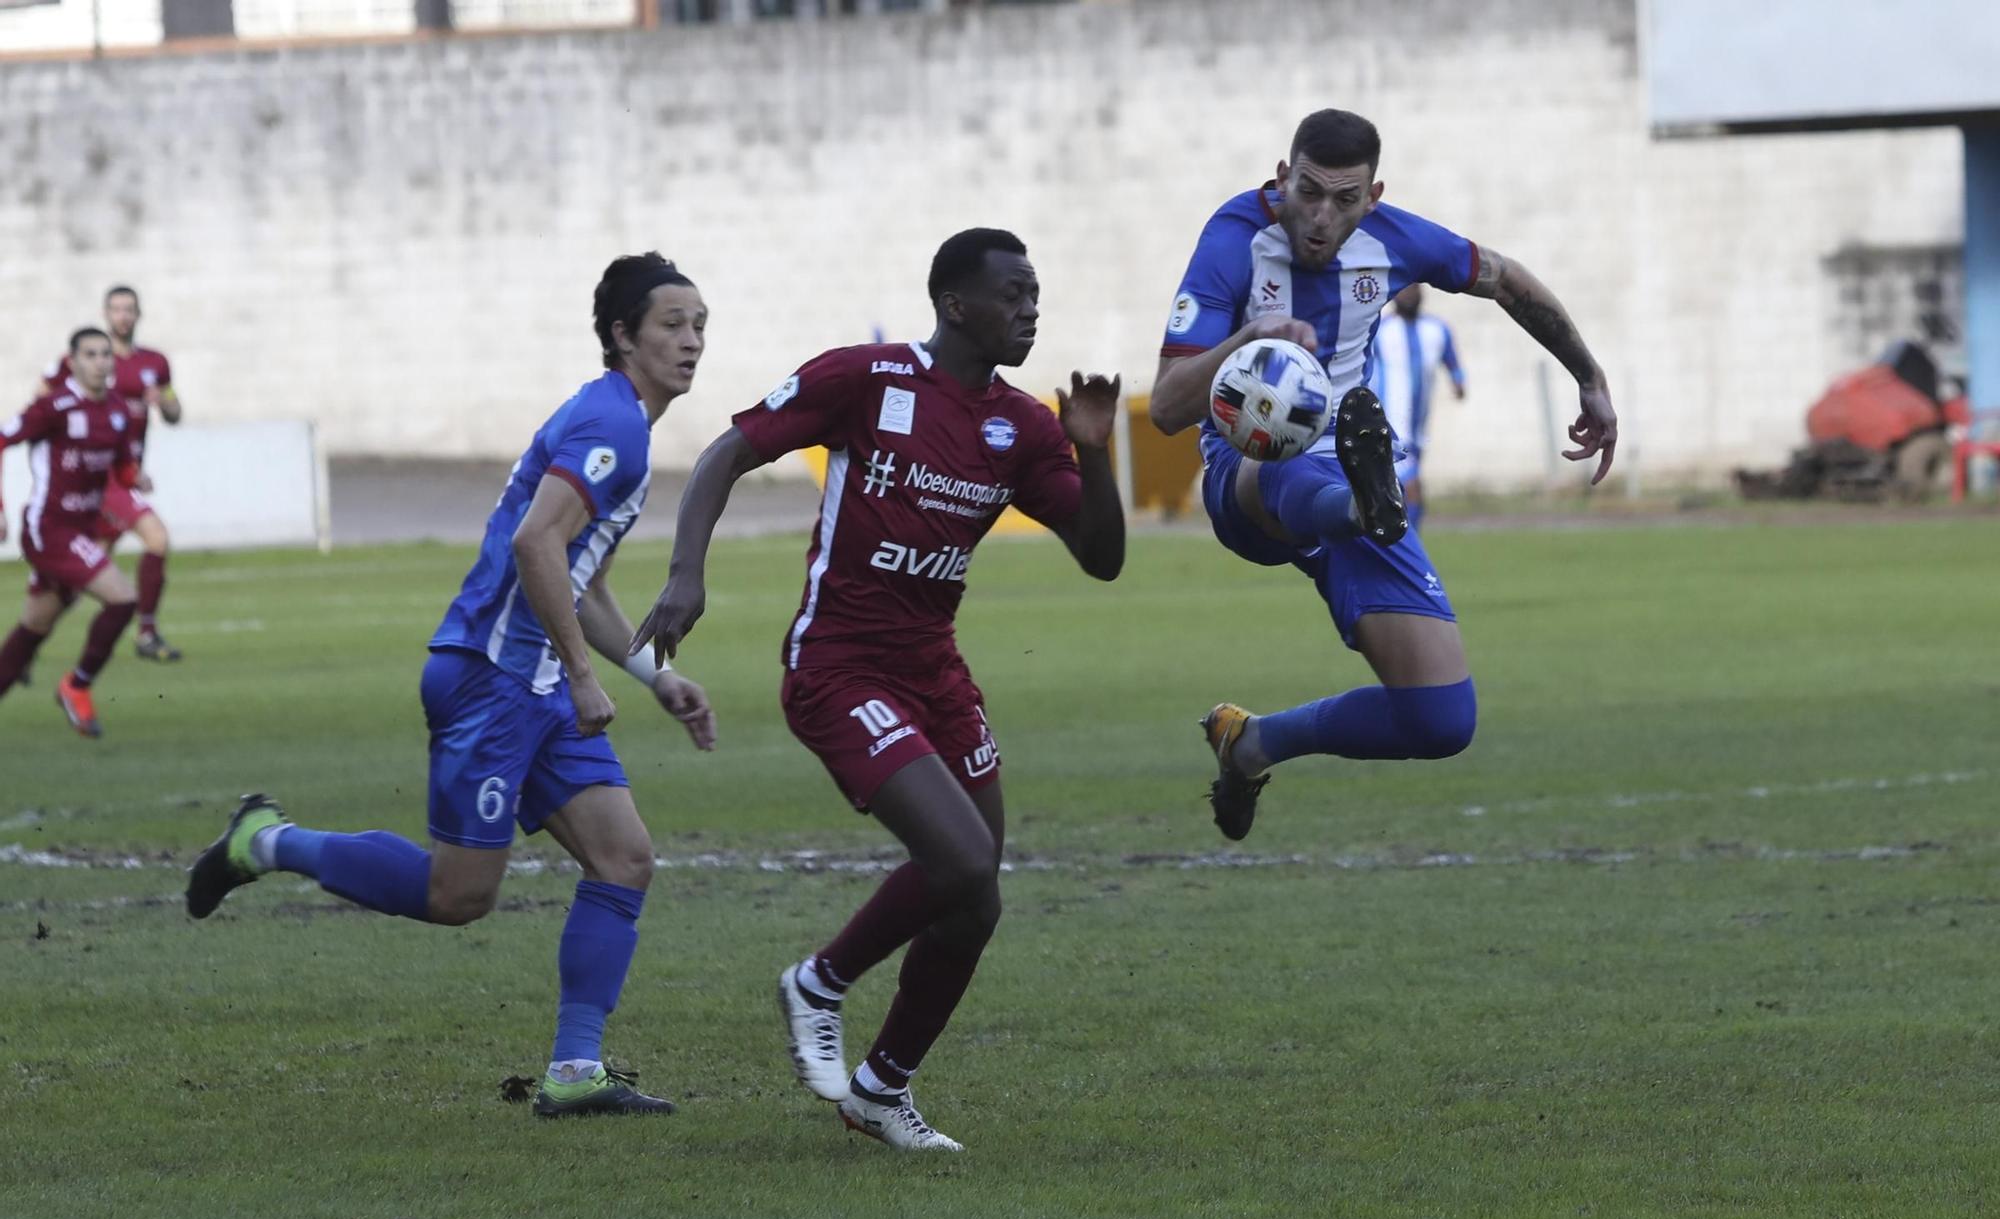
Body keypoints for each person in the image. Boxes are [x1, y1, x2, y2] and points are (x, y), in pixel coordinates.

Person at [183, 253, 718, 1117]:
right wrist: (583, 677)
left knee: (625, 859)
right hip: (493, 682)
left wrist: (657, 676)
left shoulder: (624, 425)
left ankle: (575, 1074)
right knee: (457, 896)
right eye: (671, 324)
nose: (691, 341)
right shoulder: (612, 426)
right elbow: (536, 546)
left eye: (700, 326)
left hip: (534, 683)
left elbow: (584, 582)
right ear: (623, 336)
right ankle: (265, 841)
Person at [630, 228, 1125, 1151]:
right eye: (1013, 294)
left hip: (934, 672)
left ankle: (880, 1091)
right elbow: (724, 455)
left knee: (976, 899)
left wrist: (1094, 453)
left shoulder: (1023, 426)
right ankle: (817, 982)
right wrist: (687, 573)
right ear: (954, 305)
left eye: (1036, 294)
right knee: (964, 861)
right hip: (837, 666)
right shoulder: (867, 380)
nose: (1031, 309)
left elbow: (1103, 559)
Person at [1149, 108, 1617, 840]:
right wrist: (1249, 336)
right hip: (1245, 476)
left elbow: (1506, 279)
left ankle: (1252, 744)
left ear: (1373, 197)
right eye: (1308, 191)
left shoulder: (1396, 239)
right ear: (1282, 178)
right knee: (1283, 459)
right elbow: (1168, 408)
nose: (1321, 215)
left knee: (1440, 719)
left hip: (1350, 464)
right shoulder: (1234, 239)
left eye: (1345, 199)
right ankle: (1358, 508)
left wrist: (1589, 376)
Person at [0, 328, 145, 737]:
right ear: (74, 360)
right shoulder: (53, 407)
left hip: (81, 529)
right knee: (122, 598)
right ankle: (76, 685)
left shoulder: (117, 411)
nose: (100, 361)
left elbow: (120, 468)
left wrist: (136, 476)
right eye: (91, 355)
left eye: (105, 355)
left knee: (35, 626)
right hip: (49, 529)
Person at [45, 285, 184, 661]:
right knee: (156, 538)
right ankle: (147, 633)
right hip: (101, 477)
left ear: (138, 315)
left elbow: (174, 413)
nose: (122, 316)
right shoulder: (92, 361)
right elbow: (46, 395)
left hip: (126, 475)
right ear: (106, 314)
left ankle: (26, 645)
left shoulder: (155, 363)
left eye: (129, 309)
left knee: (84, 575)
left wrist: (164, 403)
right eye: (116, 309)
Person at [1366, 284, 1465, 530]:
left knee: (1398, 493)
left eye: (1413, 289)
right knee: (1412, 490)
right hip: (1388, 426)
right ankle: (1410, 550)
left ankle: (1398, 546)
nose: (1408, 295)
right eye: (1403, 290)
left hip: (1418, 427)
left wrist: (1459, 381)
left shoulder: (1437, 329)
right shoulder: (1381, 331)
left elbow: (1452, 362)